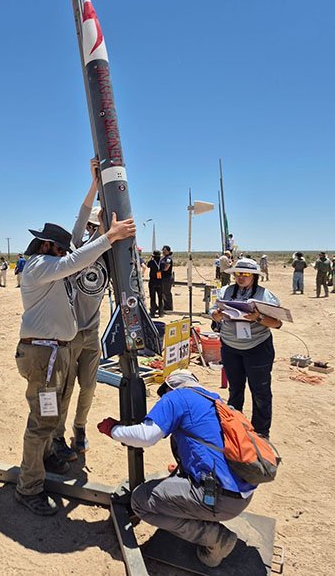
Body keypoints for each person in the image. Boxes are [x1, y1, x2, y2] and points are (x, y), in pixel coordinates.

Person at [14, 211, 135, 516]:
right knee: (42, 420)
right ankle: (29, 487)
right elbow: (74, 260)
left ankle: (44, 459)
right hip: (44, 359)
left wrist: (95, 188)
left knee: (50, 416)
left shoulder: (48, 268)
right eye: (60, 249)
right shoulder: (39, 266)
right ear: (46, 248)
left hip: (54, 356)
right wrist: (109, 237)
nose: (65, 255)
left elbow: (78, 249)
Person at [97, 369, 255, 569]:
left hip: (220, 498)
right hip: (241, 494)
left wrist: (113, 430)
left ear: (171, 387)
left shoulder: (177, 397)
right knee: (171, 478)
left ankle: (216, 538)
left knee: (140, 500)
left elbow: (146, 436)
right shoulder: (214, 400)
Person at [54, 159, 111, 461]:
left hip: (92, 332)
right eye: (95, 225)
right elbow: (81, 216)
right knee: (64, 389)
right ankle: (58, 434)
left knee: (88, 387)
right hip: (69, 332)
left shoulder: (111, 255)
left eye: (103, 225)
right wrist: (94, 184)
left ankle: (80, 427)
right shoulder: (76, 247)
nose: (98, 229)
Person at [210, 258, 282, 438]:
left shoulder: (265, 295)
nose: (241, 277)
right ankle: (236, 427)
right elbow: (213, 311)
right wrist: (216, 316)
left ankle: (261, 432)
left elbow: (278, 323)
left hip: (257, 348)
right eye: (237, 274)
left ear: (254, 276)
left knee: (260, 391)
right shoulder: (225, 291)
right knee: (235, 389)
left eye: (246, 274)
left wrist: (257, 318)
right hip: (230, 347)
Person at [147, 250, 165, 317]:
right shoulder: (162, 262)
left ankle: (153, 312)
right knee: (160, 297)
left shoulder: (151, 262)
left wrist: (151, 259)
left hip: (152, 281)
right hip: (160, 281)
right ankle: (161, 313)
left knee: (152, 297)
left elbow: (148, 265)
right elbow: (163, 269)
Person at [160, 245, 174, 312]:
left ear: (168, 251)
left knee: (167, 292)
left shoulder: (168, 258)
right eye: (163, 250)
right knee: (163, 292)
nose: (163, 251)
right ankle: (165, 306)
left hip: (167, 278)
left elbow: (166, 267)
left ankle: (169, 307)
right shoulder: (163, 258)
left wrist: (161, 269)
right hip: (162, 278)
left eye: (165, 250)